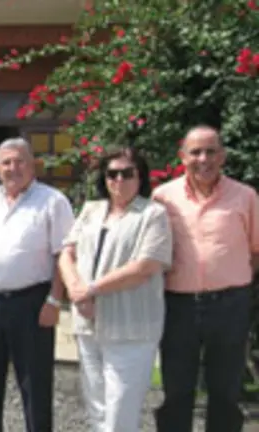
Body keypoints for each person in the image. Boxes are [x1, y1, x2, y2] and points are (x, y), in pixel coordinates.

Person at [0, 137, 74, 432]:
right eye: (6, 162)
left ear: (32, 165)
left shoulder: (53, 201)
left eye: (20, 161)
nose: (13, 167)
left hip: (32, 303)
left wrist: (55, 301)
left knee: (35, 384)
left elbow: (64, 254)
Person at [58, 146, 172, 432]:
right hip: (88, 324)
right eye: (112, 173)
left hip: (130, 327)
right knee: (96, 406)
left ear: (140, 176)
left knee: (120, 411)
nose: (119, 180)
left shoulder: (153, 214)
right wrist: (75, 288)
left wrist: (91, 290)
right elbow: (66, 253)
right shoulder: (91, 209)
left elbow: (145, 266)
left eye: (127, 173)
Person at [153, 126, 259, 432]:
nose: (204, 158)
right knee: (176, 390)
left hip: (229, 304)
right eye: (196, 152)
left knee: (225, 391)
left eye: (211, 151)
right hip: (178, 306)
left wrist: (227, 276)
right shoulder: (163, 197)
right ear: (182, 157)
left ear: (222, 155)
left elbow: (255, 250)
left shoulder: (246, 196)